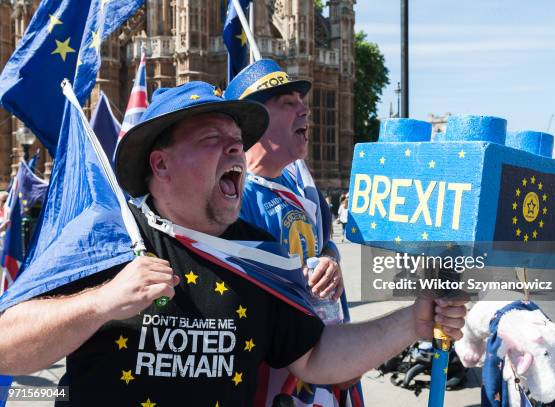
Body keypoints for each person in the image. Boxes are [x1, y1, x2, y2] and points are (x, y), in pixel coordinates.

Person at [0, 81, 466, 407]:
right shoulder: (106, 237)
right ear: (160, 165)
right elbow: (7, 347)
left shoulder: (262, 257)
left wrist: (412, 321)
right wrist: (101, 302)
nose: (235, 149)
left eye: (237, 141)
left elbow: (315, 356)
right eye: (212, 138)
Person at [225, 60, 352, 404]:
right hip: (272, 380)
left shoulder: (303, 190)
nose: (305, 109)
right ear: (256, 120)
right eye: (288, 103)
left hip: (320, 372)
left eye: (302, 100)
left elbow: (323, 246)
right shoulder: (234, 197)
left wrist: (329, 261)